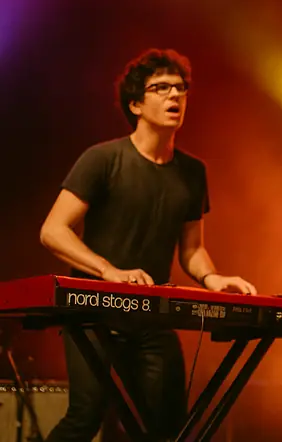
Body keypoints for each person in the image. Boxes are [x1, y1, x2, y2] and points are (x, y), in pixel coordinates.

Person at [39, 48, 256, 441]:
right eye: (161, 88)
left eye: (181, 88)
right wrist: (109, 271)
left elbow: (191, 250)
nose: (175, 96)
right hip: (92, 314)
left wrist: (212, 279)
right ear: (136, 103)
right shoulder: (103, 158)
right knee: (86, 416)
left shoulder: (192, 173)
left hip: (151, 317)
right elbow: (53, 230)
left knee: (169, 429)